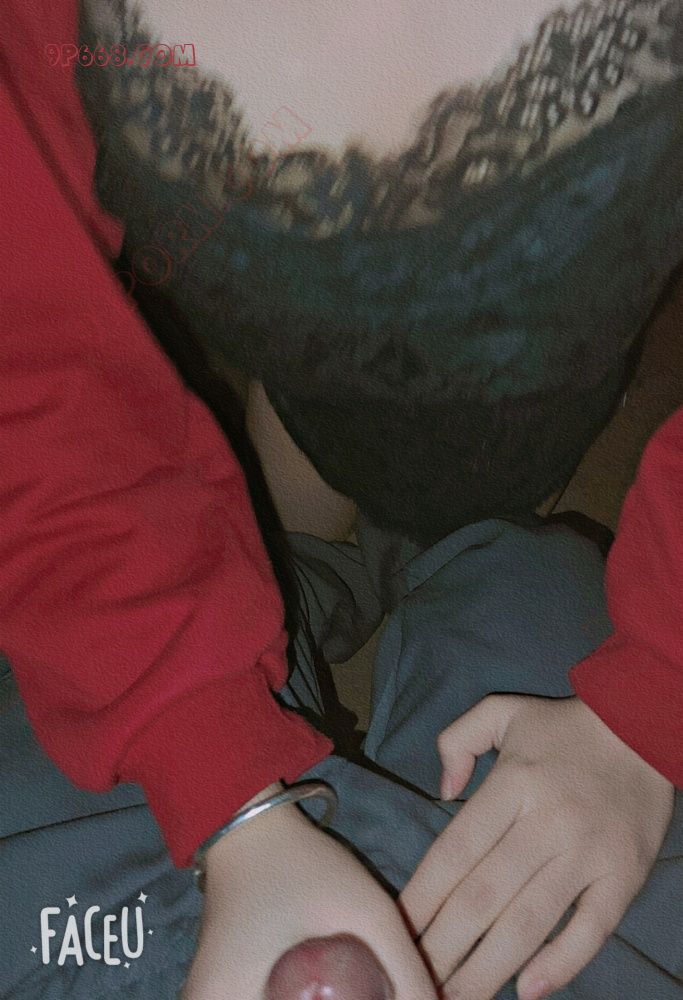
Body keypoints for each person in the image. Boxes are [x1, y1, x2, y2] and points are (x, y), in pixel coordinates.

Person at [1, 2, 681, 1000]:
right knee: (512, 581)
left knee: (499, 547)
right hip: (304, 390)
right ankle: (316, 575)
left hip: (535, 386)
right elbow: (29, 347)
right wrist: (209, 755)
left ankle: (328, 572)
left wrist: (653, 692)